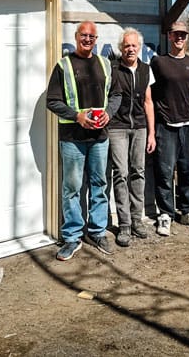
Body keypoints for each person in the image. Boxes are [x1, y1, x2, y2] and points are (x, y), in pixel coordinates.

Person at [46, 21, 122, 261]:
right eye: (83, 35)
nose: (87, 39)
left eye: (91, 36)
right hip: (72, 139)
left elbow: (117, 94)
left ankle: (97, 232)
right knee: (71, 189)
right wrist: (77, 116)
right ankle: (72, 237)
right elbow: (53, 101)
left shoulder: (105, 64)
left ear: (96, 39)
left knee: (99, 186)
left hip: (99, 138)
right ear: (76, 37)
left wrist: (109, 111)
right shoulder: (64, 65)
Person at [150, 20, 189, 236]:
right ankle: (165, 214)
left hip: (188, 126)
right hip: (166, 126)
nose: (180, 38)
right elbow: (152, 95)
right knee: (165, 172)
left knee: (187, 171)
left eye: (183, 34)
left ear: (187, 37)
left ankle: (188, 211)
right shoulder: (158, 62)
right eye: (176, 34)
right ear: (169, 37)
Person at [108, 28, 157, 247]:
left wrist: (151, 132)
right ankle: (124, 225)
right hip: (117, 127)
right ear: (121, 48)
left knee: (138, 172)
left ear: (139, 48)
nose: (130, 49)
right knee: (121, 173)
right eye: (126, 45)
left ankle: (138, 220)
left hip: (139, 127)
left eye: (134, 46)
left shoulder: (146, 70)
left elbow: (148, 102)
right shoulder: (114, 69)